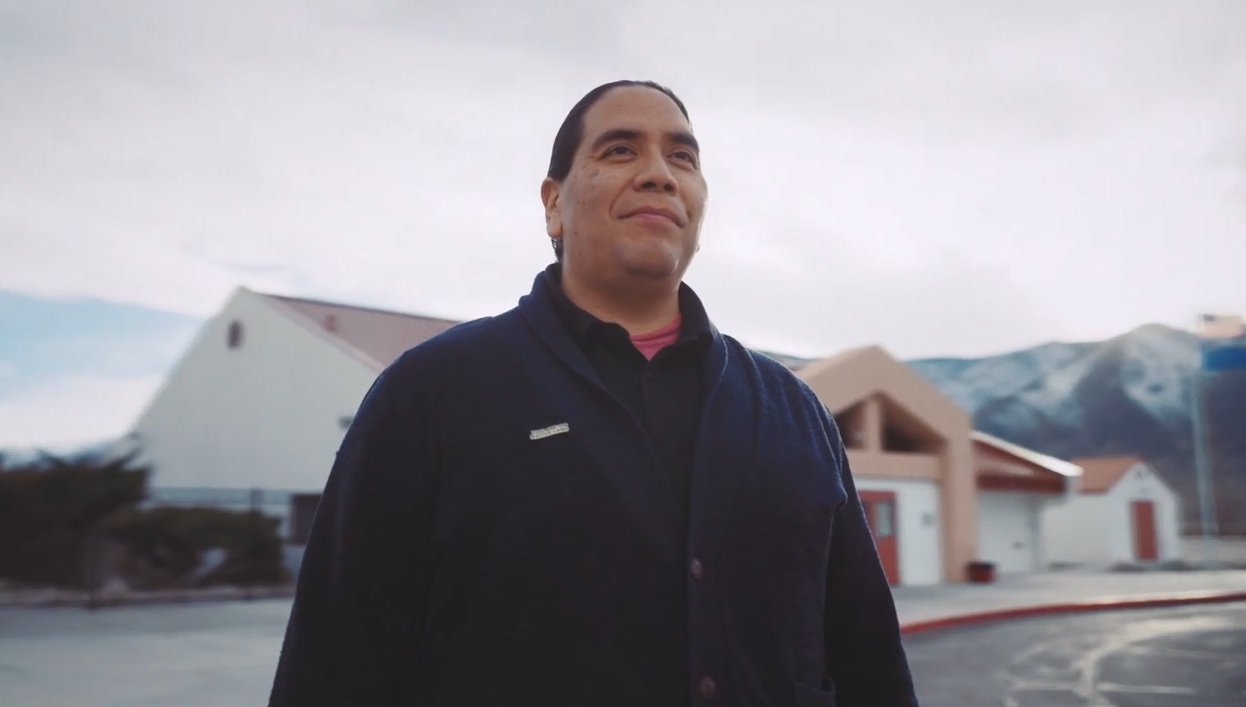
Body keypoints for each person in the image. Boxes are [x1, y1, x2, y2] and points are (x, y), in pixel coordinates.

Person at [268, 79, 919, 707]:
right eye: (620, 149)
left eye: (682, 158)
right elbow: (334, 665)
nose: (659, 173)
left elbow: (869, 662)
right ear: (553, 203)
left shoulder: (794, 414)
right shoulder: (429, 394)